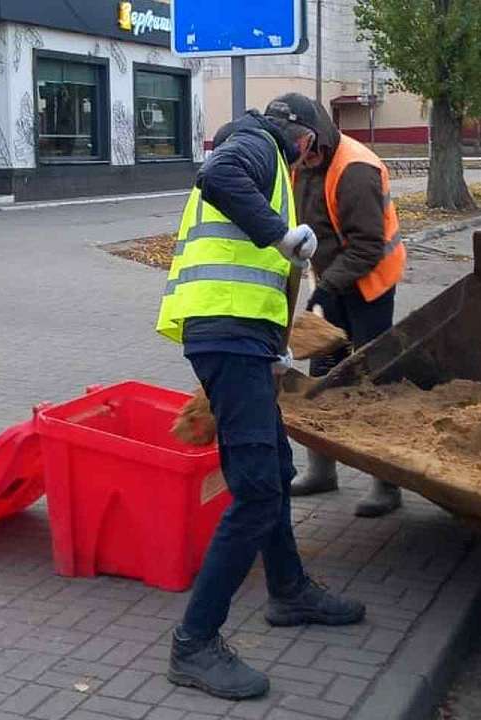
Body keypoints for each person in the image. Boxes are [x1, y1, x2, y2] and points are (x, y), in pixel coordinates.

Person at [156, 104, 366, 700]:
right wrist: (280, 233)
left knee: (275, 467)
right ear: (303, 139)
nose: (308, 164)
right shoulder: (255, 143)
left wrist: (275, 347)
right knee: (256, 492)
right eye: (312, 152)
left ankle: (290, 590)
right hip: (227, 333)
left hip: (241, 336)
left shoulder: (262, 151)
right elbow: (218, 179)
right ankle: (194, 643)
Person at [278, 93, 407, 518]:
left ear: (319, 137)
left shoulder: (355, 169)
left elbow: (368, 245)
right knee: (322, 370)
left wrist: (328, 287)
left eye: (306, 147)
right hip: (331, 280)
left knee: (370, 377)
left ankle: (386, 484)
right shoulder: (301, 163)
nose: (302, 156)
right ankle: (321, 468)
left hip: (370, 282)